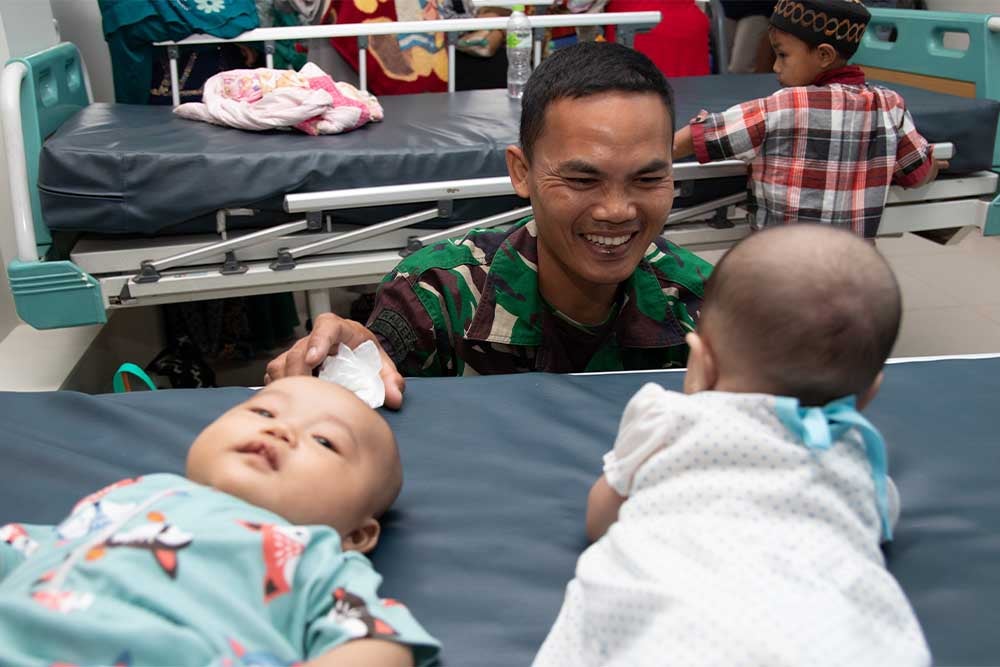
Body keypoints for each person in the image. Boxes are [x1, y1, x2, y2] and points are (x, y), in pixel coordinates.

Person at [534, 224, 931, 666]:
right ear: (869, 392)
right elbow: (876, 519)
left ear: (701, 361)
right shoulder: (858, 456)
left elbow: (601, 519)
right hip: (821, 634)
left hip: (666, 613)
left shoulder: (666, 420)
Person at [266, 42, 712, 406]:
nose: (616, 210)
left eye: (648, 178)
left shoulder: (708, 305)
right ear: (521, 172)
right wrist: (338, 364)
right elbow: (359, 393)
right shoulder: (437, 298)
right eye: (581, 179)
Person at [0, 377, 439, 667]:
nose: (280, 431)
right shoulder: (136, 492)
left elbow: (379, 642)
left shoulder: (316, 555)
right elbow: (29, 547)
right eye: (264, 412)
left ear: (357, 535)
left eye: (325, 440)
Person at [674, 0, 947, 238]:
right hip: (850, 265)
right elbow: (916, 174)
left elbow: (697, 139)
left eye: (782, 55)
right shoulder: (890, 104)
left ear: (824, 55)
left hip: (781, 263)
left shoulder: (782, 106)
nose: (775, 66)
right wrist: (934, 162)